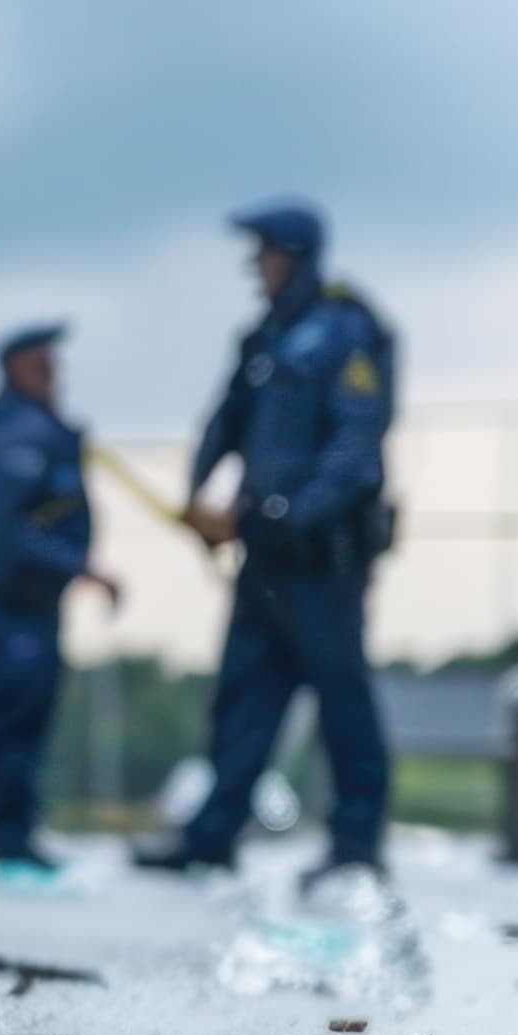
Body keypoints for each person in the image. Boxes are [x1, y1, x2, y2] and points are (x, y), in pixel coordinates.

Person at [132, 200, 396, 883]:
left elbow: (354, 452)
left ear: (294, 254)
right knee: (243, 703)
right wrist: (198, 493)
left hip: (322, 563)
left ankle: (356, 845)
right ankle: (211, 839)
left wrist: (284, 510)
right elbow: (224, 422)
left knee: (342, 702)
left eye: (264, 252)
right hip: (265, 563)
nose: (255, 265)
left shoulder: (346, 333)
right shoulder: (263, 339)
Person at [0, 323, 115, 879]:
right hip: (15, 606)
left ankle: (20, 832)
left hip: (33, 606)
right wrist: (79, 566)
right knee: (14, 724)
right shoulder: (15, 432)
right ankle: (11, 839)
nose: (55, 376)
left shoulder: (37, 427)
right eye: (44, 365)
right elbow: (8, 530)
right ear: (18, 367)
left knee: (28, 722)